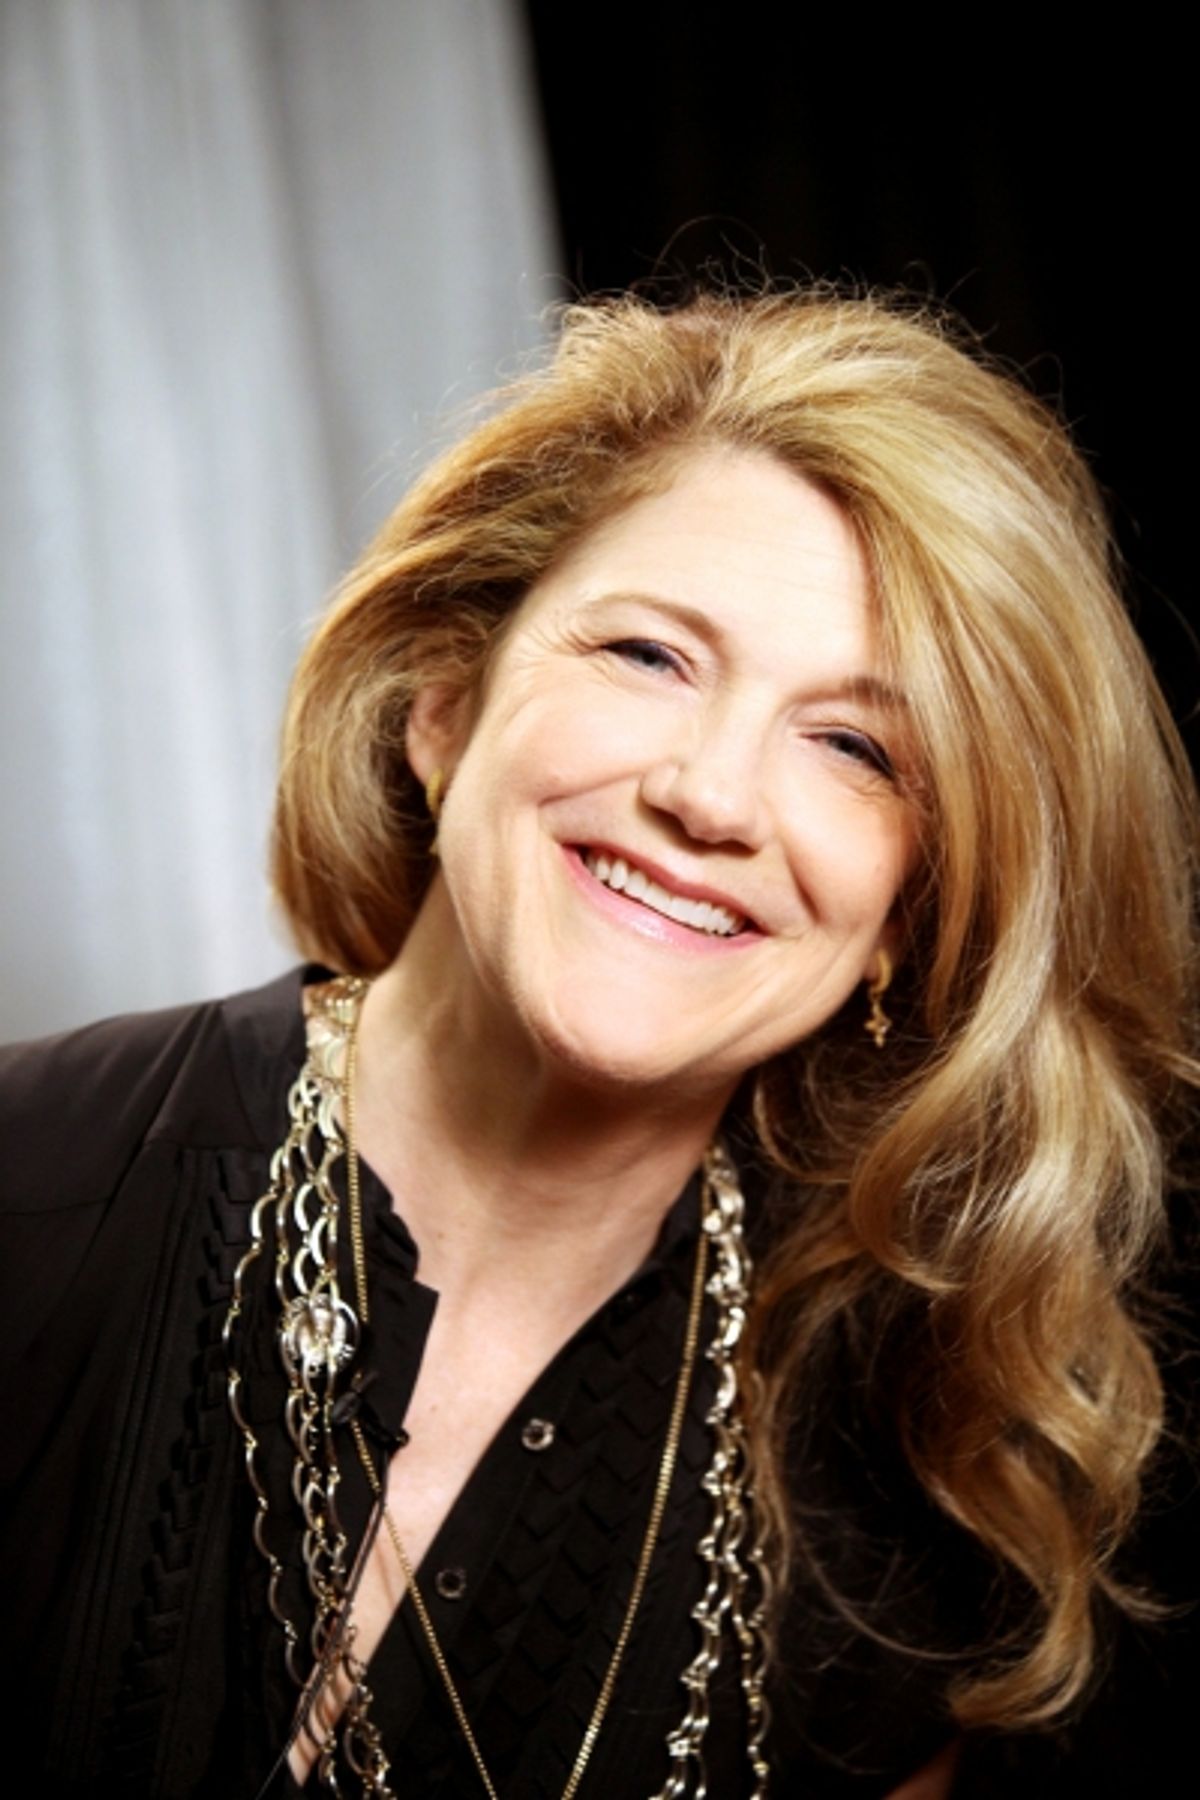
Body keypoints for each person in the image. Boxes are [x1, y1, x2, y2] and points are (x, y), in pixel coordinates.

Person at [2, 288, 1196, 1799]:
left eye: (855, 747)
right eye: (649, 655)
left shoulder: (896, 1486)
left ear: (913, 906)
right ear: (443, 700)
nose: (713, 796)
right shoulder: (30, 1199)